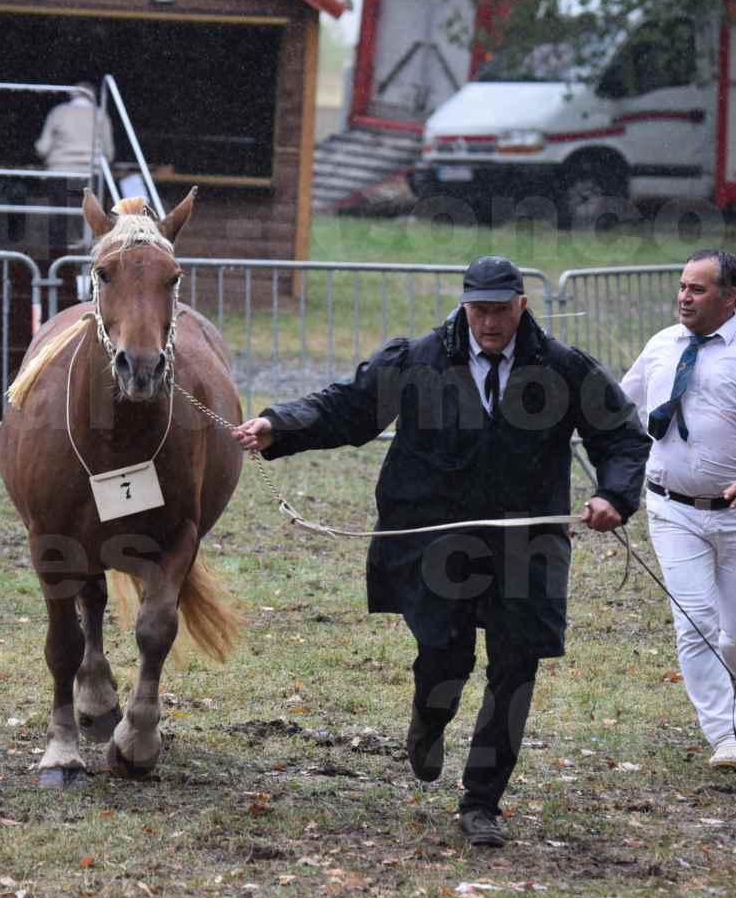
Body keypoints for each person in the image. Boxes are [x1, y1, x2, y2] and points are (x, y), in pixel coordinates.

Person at [232, 256, 650, 847]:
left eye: (502, 310)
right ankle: (429, 719)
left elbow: (623, 435)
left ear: (522, 305)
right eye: (479, 310)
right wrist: (280, 424)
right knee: (444, 660)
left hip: (524, 549)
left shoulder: (561, 368)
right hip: (435, 543)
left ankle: (482, 801)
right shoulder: (419, 359)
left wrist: (615, 494)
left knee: (515, 669)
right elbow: (349, 407)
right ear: (464, 305)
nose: (490, 322)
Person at [619, 250, 736, 770]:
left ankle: (730, 697)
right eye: (682, 287)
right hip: (671, 508)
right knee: (694, 620)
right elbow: (613, 406)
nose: (683, 297)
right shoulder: (660, 346)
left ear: (730, 297)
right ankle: (724, 733)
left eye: (697, 289)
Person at [35, 83, 113, 253]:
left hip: (60, 173)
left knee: (58, 221)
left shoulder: (59, 112)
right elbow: (109, 152)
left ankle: (58, 262)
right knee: (94, 223)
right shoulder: (100, 115)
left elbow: (43, 147)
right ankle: (92, 260)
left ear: (72, 95)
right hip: (91, 175)